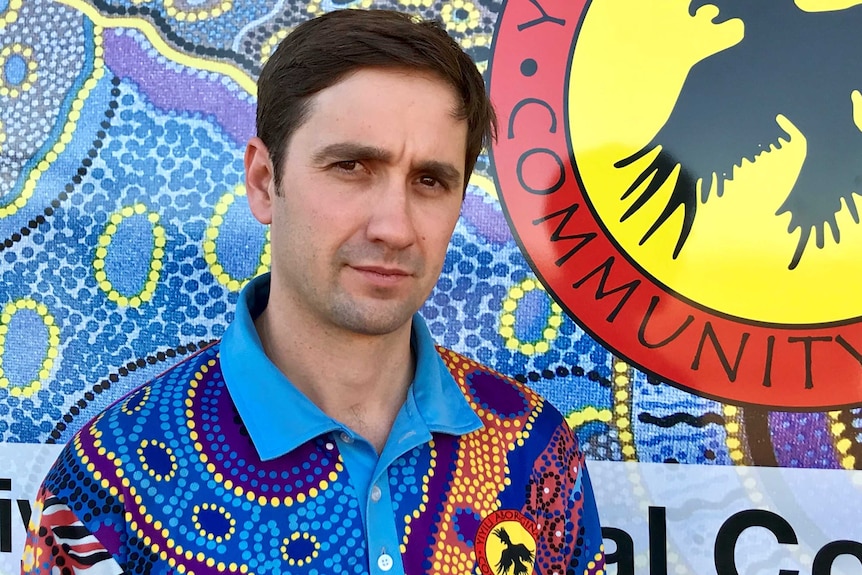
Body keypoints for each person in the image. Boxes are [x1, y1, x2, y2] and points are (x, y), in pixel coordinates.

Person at [22, 9, 604, 575]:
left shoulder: (534, 451)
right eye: (352, 167)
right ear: (263, 182)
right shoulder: (111, 484)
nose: (395, 227)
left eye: (430, 181)